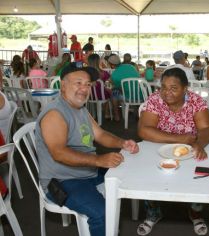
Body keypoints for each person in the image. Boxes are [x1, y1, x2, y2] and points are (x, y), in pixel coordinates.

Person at [35, 62, 139, 236]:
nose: (84, 88)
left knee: (127, 173)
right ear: (63, 85)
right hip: (62, 180)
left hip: (85, 171)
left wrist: (122, 143)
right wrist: (98, 160)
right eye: (78, 83)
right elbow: (58, 153)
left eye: (88, 84)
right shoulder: (55, 113)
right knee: (102, 212)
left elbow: (100, 134)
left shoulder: (80, 108)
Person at [137, 67, 209, 236]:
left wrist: (199, 143)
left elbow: (207, 128)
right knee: (148, 171)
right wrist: (180, 138)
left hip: (190, 148)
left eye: (173, 88)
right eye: (163, 87)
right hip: (159, 147)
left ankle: (195, 211)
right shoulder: (155, 100)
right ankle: (153, 211)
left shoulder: (196, 101)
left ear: (185, 88)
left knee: (199, 173)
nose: (166, 93)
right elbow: (144, 130)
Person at [111, 55, 140, 121]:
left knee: (114, 93)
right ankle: (138, 112)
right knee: (132, 90)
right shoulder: (132, 66)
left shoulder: (115, 73)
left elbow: (116, 87)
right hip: (140, 96)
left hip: (128, 98)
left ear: (112, 65)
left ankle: (116, 115)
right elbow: (138, 76)